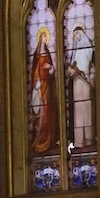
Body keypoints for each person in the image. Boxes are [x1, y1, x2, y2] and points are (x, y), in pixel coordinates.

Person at [29, 26, 59, 154]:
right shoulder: (37, 55)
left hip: (48, 88)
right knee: (42, 113)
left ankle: (50, 139)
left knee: (49, 112)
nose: (45, 39)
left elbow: (52, 71)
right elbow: (35, 71)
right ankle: (40, 139)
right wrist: (37, 83)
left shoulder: (48, 54)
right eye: (44, 37)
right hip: (40, 87)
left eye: (46, 36)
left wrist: (50, 67)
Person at [67, 24, 95, 148]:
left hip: (85, 81)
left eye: (76, 34)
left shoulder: (88, 49)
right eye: (73, 36)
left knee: (86, 108)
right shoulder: (75, 52)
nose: (75, 38)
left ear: (81, 34)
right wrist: (72, 71)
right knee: (78, 110)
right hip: (77, 83)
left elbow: (90, 64)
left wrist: (80, 71)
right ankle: (79, 140)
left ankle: (89, 138)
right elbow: (73, 66)